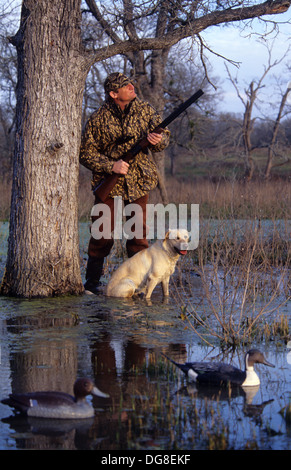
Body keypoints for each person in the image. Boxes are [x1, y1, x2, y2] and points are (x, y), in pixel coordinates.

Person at [79, 72, 170, 294]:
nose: (131, 86)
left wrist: (158, 141)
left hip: (139, 180)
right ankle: (91, 284)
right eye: (124, 86)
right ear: (113, 93)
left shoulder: (145, 110)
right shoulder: (97, 118)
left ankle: (139, 284)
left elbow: (165, 138)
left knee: (138, 236)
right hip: (108, 181)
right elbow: (85, 153)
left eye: (130, 83)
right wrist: (111, 166)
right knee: (102, 233)